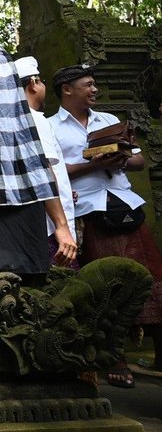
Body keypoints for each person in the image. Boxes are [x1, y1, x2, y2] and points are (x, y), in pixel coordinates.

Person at [49, 63, 162, 388]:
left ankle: (159, 350)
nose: (94, 89)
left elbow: (140, 160)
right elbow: (55, 172)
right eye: (88, 84)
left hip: (125, 204)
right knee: (106, 282)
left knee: (153, 275)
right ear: (67, 89)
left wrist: (121, 156)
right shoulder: (52, 127)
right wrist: (92, 164)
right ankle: (116, 357)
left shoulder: (109, 122)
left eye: (96, 84)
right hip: (88, 209)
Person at [13, 56, 78, 267]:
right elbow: (44, 172)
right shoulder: (35, 120)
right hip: (49, 226)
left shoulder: (13, 119)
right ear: (33, 84)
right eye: (40, 81)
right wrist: (62, 227)